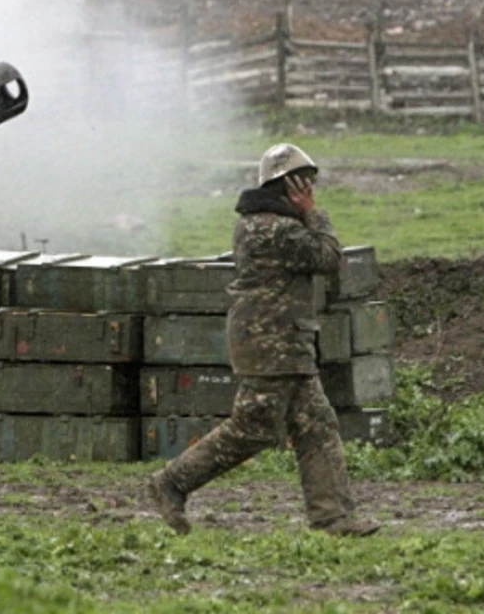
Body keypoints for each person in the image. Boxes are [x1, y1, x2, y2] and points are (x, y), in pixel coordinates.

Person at [148, 143, 379, 537]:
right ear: (286, 186)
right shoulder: (277, 228)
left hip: (284, 343)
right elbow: (328, 258)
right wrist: (314, 215)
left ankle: (333, 519)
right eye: (303, 182)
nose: (309, 189)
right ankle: (172, 482)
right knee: (252, 429)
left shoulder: (261, 222)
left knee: (317, 426)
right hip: (271, 346)